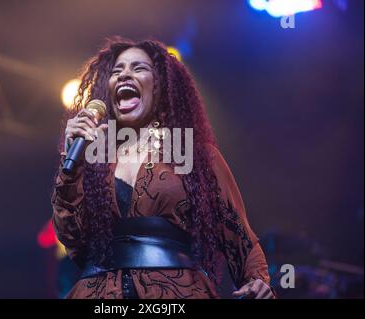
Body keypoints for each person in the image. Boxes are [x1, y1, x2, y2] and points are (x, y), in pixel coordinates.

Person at [51, 38, 274, 299]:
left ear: (160, 87)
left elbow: (237, 233)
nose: (124, 75)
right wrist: (72, 164)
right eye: (116, 71)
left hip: (174, 293)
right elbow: (74, 241)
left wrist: (256, 281)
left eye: (138, 68)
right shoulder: (93, 158)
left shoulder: (194, 154)